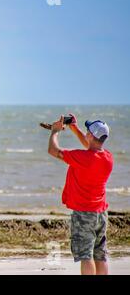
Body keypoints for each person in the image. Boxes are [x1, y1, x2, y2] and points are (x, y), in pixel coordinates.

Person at [47, 114, 113, 275]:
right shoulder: (108, 158)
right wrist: (74, 128)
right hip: (100, 213)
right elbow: (90, 145)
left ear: (91, 135)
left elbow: (53, 150)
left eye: (87, 131)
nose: (86, 134)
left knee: (85, 255)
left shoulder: (82, 157)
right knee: (100, 254)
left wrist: (55, 132)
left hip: (84, 214)